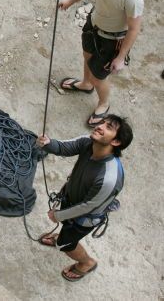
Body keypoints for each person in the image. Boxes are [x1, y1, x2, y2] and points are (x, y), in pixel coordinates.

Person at [36, 114, 132, 282]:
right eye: (103, 122)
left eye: (109, 127)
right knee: (66, 229)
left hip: (84, 218)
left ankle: (86, 262)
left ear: (116, 142)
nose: (100, 126)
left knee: (66, 245)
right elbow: (65, 147)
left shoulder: (110, 177)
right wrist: (48, 144)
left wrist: (58, 215)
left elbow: (88, 207)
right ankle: (62, 236)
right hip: (71, 201)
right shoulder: (89, 142)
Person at [58, 0, 144, 126]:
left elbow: (134, 29)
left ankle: (103, 104)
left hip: (111, 40)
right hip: (93, 25)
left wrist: (120, 58)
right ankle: (85, 84)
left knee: (99, 76)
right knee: (87, 56)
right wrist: (71, 0)